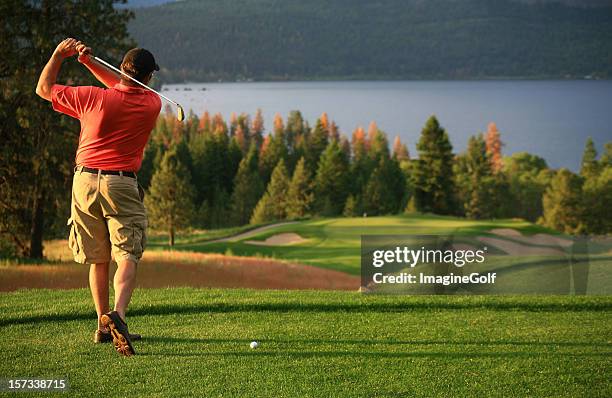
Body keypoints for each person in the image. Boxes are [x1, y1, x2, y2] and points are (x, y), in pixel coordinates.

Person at [35, 38, 162, 357]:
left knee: (97, 257)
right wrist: (91, 64)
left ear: (122, 69)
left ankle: (103, 326)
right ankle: (118, 314)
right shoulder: (151, 104)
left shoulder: (91, 98)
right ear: (148, 78)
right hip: (121, 185)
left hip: (85, 181)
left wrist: (60, 56)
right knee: (127, 254)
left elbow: (44, 88)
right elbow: (126, 88)